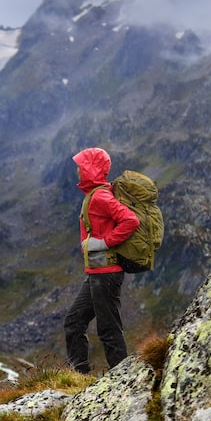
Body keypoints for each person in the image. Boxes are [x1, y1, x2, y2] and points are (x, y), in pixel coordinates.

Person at [64, 147, 139, 374]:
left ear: (90, 168)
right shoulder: (95, 195)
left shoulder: (101, 197)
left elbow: (130, 220)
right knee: (74, 322)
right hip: (97, 273)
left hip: (106, 274)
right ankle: (80, 376)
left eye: (81, 165)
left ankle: (122, 379)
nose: (77, 170)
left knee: (108, 328)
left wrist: (104, 242)